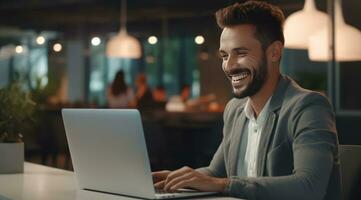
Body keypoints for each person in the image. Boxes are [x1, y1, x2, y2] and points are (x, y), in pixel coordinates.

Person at [152, 1, 341, 200]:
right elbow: (216, 173)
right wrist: (176, 179)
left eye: (241, 53)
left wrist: (224, 184)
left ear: (274, 52)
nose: (229, 66)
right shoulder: (234, 110)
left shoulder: (308, 107)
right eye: (224, 55)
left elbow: (309, 187)